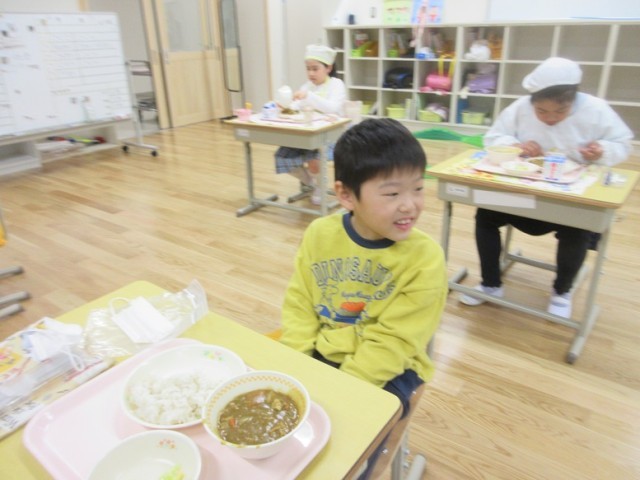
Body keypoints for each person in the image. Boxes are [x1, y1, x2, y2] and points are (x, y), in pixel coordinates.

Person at [279, 118, 447, 478]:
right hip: (323, 350)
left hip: (391, 369)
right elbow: (299, 303)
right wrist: (297, 364)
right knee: (283, 432)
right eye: (392, 194)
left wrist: (342, 393)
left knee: (347, 454)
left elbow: (394, 342)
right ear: (345, 195)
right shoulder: (320, 233)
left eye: (418, 188)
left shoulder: (424, 258)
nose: (410, 205)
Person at [460, 57, 633, 318]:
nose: (550, 118)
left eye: (560, 112)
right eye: (541, 111)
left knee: (578, 229)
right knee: (485, 215)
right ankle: (490, 283)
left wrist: (602, 150)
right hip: (523, 196)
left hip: (568, 200)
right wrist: (516, 146)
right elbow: (493, 137)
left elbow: (622, 143)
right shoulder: (520, 107)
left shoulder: (596, 109)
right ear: (533, 101)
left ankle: (562, 291)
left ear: (573, 100)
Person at [274, 44, 347, 205]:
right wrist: (285, 106)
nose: (311, 73)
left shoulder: (336, 84)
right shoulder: (306, 86)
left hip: (330, 137)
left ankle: (319, 186)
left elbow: (332, 108)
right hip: (306, 135)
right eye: (308, 69)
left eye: (315, 69)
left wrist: (309, 96)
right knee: (282, 157)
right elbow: (296, 106)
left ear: (328, 68)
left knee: (314, 161)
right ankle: (312, 183)